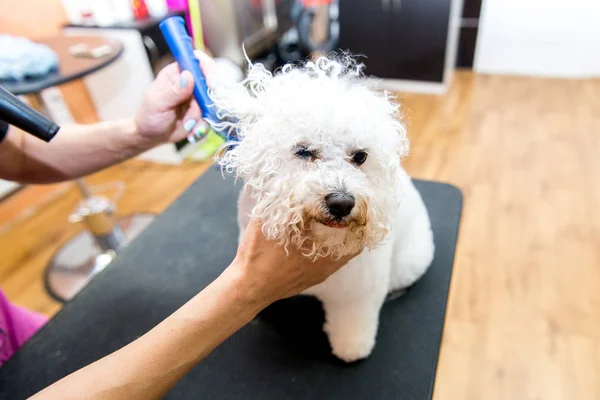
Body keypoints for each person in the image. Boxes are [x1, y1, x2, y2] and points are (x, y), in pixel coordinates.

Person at [0, 52, 360, 398]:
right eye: (304, 153)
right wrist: (247, 292)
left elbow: (14, 146)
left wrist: (142, 132)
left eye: (357, 158)